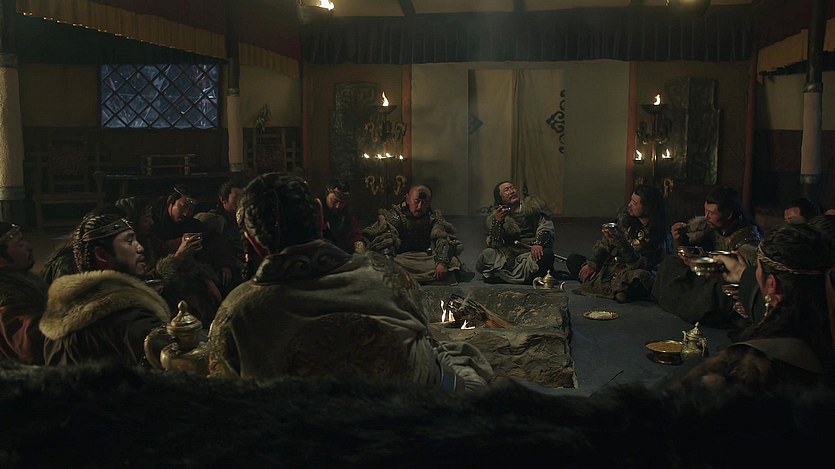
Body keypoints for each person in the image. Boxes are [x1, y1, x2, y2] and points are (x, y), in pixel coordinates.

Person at [208, 173, 493, 390]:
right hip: (406, 422)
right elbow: (426, 348)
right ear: (319, 214)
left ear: (251, 241)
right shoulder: (388, 275)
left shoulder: (234, 313)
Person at [667, 223, 835, 392]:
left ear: (772, 285)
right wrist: (741, 273)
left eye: (757, 269)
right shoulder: (822, 333)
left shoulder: (751, 369)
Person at [39, 213, 171, 366]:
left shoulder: (64, 312)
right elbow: (174, 362)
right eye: (129, 241)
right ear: (102, 255)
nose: (140, 247)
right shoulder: (130, 318)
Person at [653, 186, 762, 326]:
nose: (706, 217)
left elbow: (745, 276)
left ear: (728, 215)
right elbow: (694, 248)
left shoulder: (747, 240)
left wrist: (708, 261)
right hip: (702, 274)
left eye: (712, 213)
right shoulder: (706, 227)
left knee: (715, 289)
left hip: (722, 281)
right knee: (671, 263)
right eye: (705, 211)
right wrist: (681, 240)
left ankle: (691, 311)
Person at [566, 184, 669, 303]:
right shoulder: (626, 220)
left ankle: (616, 289)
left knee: (640, 280)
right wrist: (593, 264)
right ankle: (617, 290)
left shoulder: (657, 233)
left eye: (635, 203)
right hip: (614, 268)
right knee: (574, 260)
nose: (629, 205)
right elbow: (605, 244)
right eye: (631, 200)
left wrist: (620, 243)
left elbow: (641, 264)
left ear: (647, 208)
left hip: (635, 271)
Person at [149, 184, 233, 323]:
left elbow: (215, 240)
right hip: (165, 277)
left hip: (192, 271)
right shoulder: (153, 223)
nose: (187, 213)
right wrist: (179, 248)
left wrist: (225, 264)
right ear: (171, 201)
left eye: (191, 209)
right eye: (183, 207)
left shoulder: (190, 224)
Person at [361, 184, 472, 285]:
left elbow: (443, 239)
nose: (419, 207)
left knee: (452, 262)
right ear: (407, 199)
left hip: (424, 258)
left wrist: (442, 262)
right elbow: (385, 241)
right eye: (416, 201)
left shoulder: (433, 218)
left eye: (424, 203)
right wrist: (389, 264)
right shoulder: (394, 217)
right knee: (380, 263)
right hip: (401, 259)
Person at [475, 181, 555, 284]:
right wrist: (498, 222)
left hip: (530, 252)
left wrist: (538, 244)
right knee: (487, 254)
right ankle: (524, 278)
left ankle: (506, 278)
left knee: (546, 255)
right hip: (509, 255)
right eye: (506, 190)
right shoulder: (497, 216)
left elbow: (545, 227)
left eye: (512, 188)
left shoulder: (533, 207)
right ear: (500, 198)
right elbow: (495, 244)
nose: (512, 191)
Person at [0, 222, 47, 365]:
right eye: (20, 244)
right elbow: (28, 341)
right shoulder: (6, 295)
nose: (29, 246)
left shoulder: (23, 279)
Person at [194, 180, 245, 292]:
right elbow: (214, 247)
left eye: (242, 197)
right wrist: (225, 264)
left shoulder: (242, 221)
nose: (240, 201)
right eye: (236, 197)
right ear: (223, 200)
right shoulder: (214, 221)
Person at [321, 179, 363, 254]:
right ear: (327, 194)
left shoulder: (346, 213)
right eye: (335, 201)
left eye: (342, 203)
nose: (337, 206)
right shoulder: (317, 209)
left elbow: (354, 233)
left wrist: (359, 246)